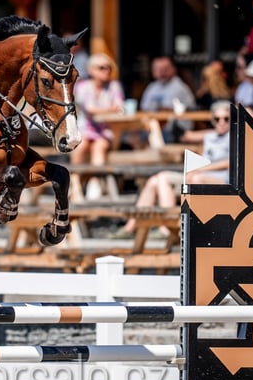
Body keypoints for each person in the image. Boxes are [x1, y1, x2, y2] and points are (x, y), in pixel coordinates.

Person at [110, 99, 232, 239]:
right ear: (213, 120)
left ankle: (167, 229)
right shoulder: (210, 136)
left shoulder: (234, 137)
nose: (221, 122)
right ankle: (132, 227)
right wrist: (172, 119)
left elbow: (230, 162)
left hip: (219, 179)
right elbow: (187, 136)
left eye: (226, 119)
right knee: (157, 180)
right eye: (217, 119)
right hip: (198, 175)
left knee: (194, 178)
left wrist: (203, 168)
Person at [69, 52, 124, 199]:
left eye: (108, 68)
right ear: (91, 70)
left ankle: (94, 182)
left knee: (99, 146)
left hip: (105, 130)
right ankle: (76, 182)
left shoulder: (114, 86)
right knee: (81, 146)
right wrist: (109, 109)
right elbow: (89, 108)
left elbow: (119, 107)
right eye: (102, 68)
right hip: (86, 129)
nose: (106, 71)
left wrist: (104, 111)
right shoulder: (82, 86)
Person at [139, 56, 197, 142]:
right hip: (157, 128)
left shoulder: (178, 87)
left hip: (177, 131)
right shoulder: (152, 87)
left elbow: (165, 114)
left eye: (164, 69)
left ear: (173, 69)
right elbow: (144, 109)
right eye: (157, 69)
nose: (161, 72)